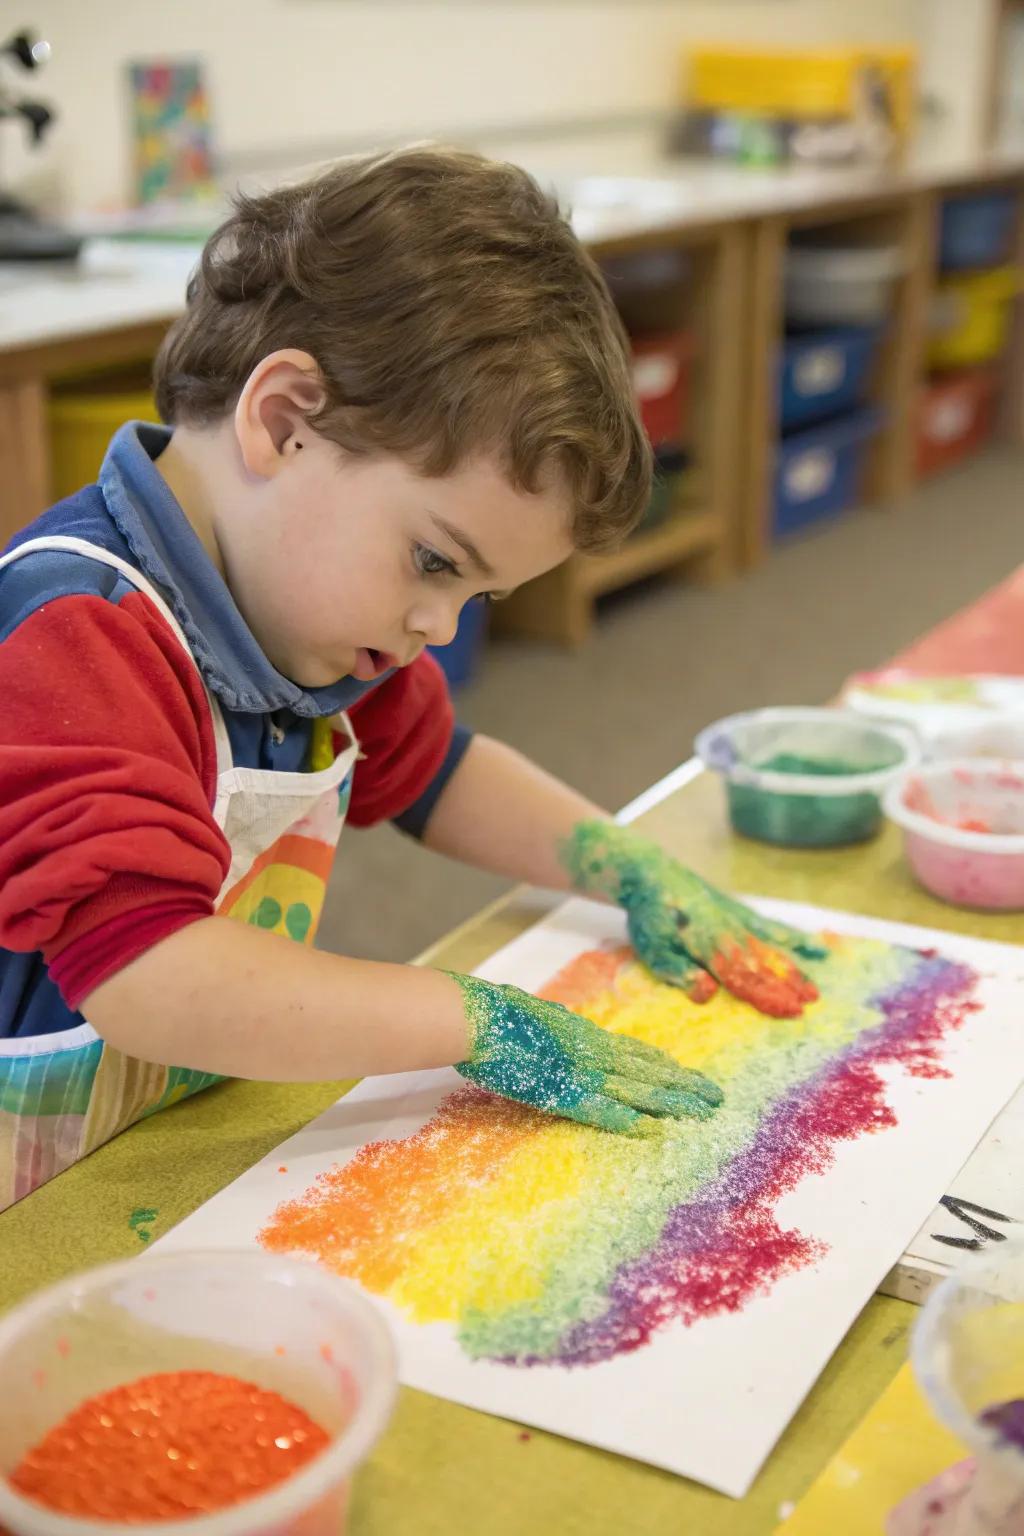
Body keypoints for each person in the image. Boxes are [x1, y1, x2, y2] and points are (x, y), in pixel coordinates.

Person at [0, 147, 822, 1210]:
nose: (435, 629)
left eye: (476, 599)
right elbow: (149, 975)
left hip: (152, 1145)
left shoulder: (311, 617)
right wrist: (467, 1019)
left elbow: (440, 772)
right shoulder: (76, 634)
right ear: (286, 419)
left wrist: (621, 864)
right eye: (436, 562)